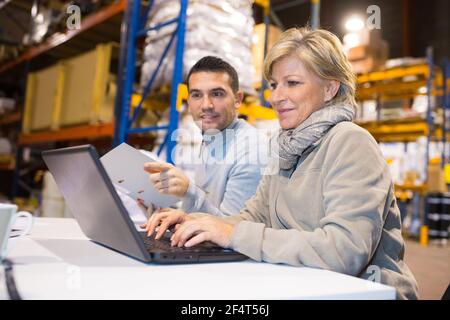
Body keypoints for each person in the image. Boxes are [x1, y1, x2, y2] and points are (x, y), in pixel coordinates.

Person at [141, 28, 419, 299]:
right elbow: (251, 217)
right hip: (307, 284)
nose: (275, 97)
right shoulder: (284, 148)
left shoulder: (350, 142)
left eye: (293, 83)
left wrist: (232, 233)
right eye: (274, 85)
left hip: (363, 292)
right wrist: (198, 222)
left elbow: (344, 251)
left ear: (330, 88)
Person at [143, 56, 268, 217]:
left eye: (216, 94)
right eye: (196, 95)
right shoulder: (211, 140)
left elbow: (232, 231)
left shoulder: (252, 152)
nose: (206, 105)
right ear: (188, 101)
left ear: (237, 100)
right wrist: (166, 213)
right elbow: (208, 210)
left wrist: (189, 191)